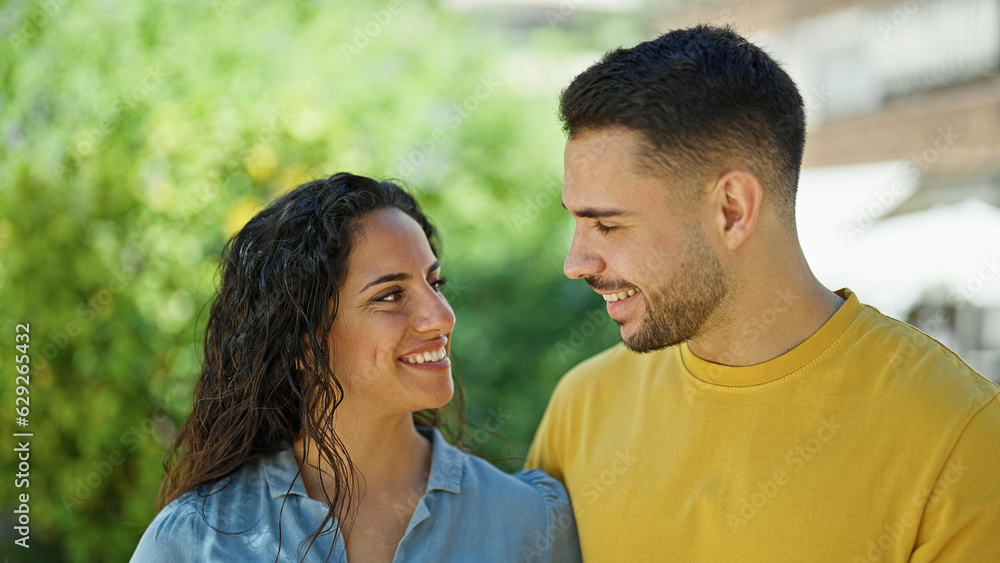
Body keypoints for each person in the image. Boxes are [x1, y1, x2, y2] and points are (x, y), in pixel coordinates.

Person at [525, 25, 1000, 562]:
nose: (574, 263)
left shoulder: (961, 436)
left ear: (731, 210)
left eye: (607, 226)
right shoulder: (580, 406)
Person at [132, 173, 580, 562]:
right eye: (390, 296)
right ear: (305, 343)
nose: (443, 316)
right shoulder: (196, 540)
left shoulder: (532, 523)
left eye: (434, 282)